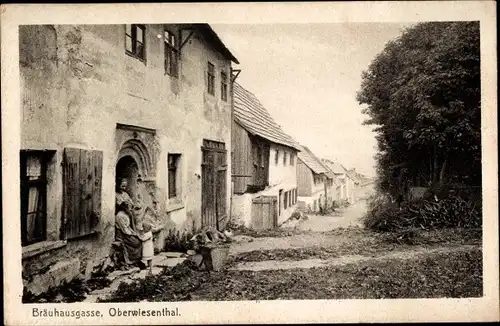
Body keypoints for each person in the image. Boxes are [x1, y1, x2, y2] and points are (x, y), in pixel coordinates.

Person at [115, 200, 153, 270]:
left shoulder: (125, 214)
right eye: (129, 208)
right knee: (136, 243)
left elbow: (128, 227)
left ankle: (136, 261)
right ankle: (131, 261)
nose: (131, 210)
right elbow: (124, 230)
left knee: (138, 241)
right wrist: (133, 234)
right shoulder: (119, 216)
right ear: (125, 208)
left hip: (127, 233)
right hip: (122, 235)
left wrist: (134, 233)